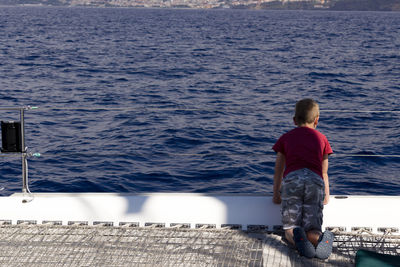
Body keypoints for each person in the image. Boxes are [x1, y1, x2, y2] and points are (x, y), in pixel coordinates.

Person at [272, 98, 334, 259]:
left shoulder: (285, 138)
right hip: (314, 181)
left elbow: (279, 170)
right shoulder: (322, 139)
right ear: (317, 120)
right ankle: (319, 239)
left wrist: (276, 195)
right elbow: (324, 172)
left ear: (294, 120)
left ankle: (297, 240)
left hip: (293, 180)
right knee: (313, 226)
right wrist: (326, 195)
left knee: (290, 228)